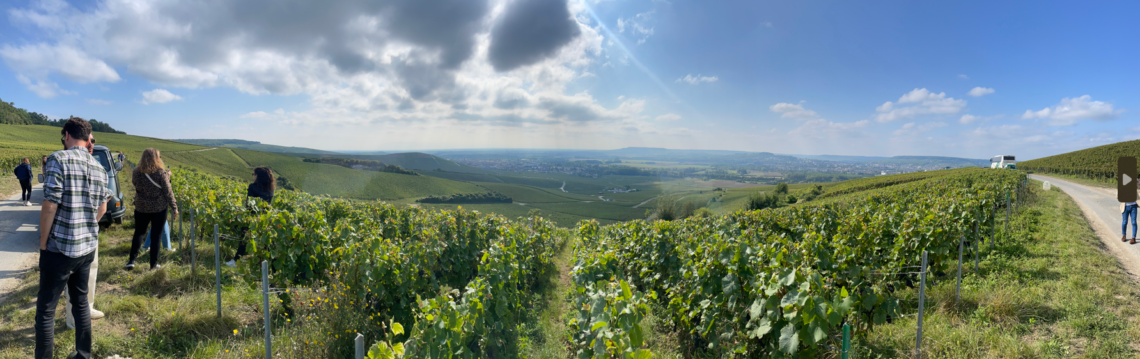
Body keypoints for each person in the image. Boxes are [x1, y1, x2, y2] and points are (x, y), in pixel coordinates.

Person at [35, 117, 111, 359]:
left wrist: (43, 243)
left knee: (46, 310)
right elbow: (103, 209)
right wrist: (87, 226)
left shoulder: (58, 158)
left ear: (66, 135)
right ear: (87, 137)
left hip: (60, 248)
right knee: (80, 304)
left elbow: (50, 205)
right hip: (86, 248)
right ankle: (83, 355)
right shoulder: (100, 168)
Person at [64, 134, 106, 330]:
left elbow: (103, 206)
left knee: (90, 272)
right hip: (70, 236)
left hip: (88, 234)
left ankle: (87, 308)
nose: (91, 144)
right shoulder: (63, 163)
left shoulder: (96, 167)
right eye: (88, 140)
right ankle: (73, 318)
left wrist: (89, 225)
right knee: (73, 280)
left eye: (93, 141)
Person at [127, 148, 178, 270]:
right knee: (156, 236)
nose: (160, 158)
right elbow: (168, 191)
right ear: (155, 159)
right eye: (159, 156)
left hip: (141, 208)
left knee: (139, 233)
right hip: (158, 209)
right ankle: (153, 265)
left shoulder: (136, 172)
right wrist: (174, 207)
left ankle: (131, 261)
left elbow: (135, 184)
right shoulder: (161, 173)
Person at [226, 166, 274, 267]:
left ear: (258, 176)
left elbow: (249, 204)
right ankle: (264, 263)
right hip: (264, 218)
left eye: (254, 174)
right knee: (264, 242)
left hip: (252, 217)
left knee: (245, 239)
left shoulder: (252, 187)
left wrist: (243, 216)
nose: (253, 176)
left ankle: (236, 261)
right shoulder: (271, 190)